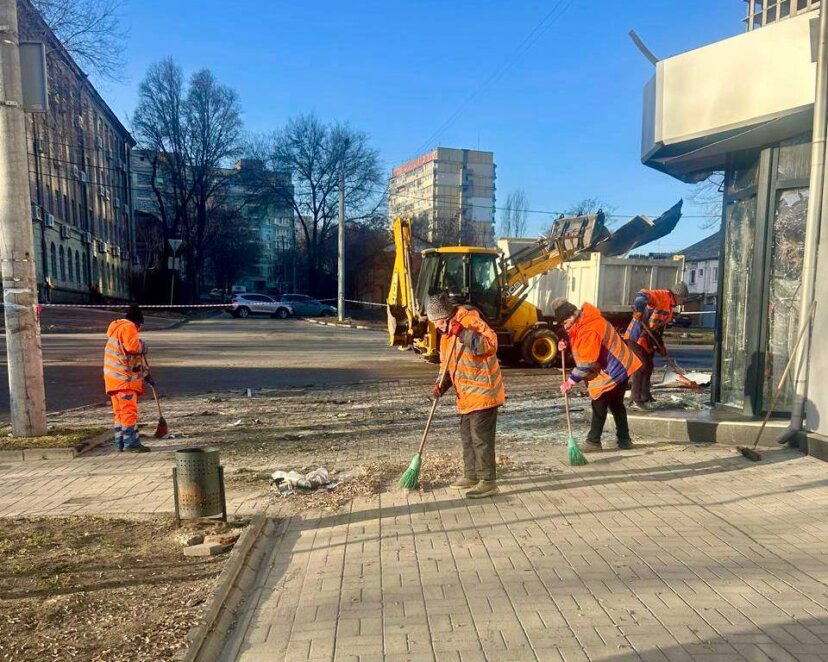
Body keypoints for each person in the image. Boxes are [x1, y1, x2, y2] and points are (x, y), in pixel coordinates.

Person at [427, 292, 505, 498]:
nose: (437, 327)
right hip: (466, 396)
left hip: (484, 392)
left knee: (481, 438)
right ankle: (471, 475)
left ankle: (488, 481)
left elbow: (490, 345)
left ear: (446, 317)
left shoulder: (470, 321)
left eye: (438, 322)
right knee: (467, 437)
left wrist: (463, 333)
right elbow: (446, 365)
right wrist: (441, 385)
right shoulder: (445, 336)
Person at [553, 298, 641, 452]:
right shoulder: (586, 320)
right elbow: (577, 338)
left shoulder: (589, 329)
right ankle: (624, 440)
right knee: (616, 404)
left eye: (565, 322)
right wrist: (566, 342)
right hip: (623, 364)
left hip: (615, 369)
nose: (565, 326)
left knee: (599, 403)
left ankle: (593, 442)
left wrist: (571, 381)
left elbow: (587, 362)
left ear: (572, 315)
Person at [623, 282, 688, 410]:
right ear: (678, 295)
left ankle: (645, 396)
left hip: (647, 340)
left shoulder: (670, 308)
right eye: (683, 298)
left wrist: (661, 347)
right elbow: (641, 295)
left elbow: (658, 330)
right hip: (636, 336)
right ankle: (635, 399)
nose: (683, 302)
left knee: (649, 366)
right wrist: (639, 310)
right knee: (641, 366)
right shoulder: (662, 296)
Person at [104, 305, 151, 452]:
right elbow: (133, 348)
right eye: (139, 328)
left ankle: (120, 442)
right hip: (125, 380)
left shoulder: (116, 330)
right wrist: (143, 346)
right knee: (128, 411)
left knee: (119, 413)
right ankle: (131, 443)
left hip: (113, 380)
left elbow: (130, 359)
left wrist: (145, 375)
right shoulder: (129, 327)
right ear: (138, 323)